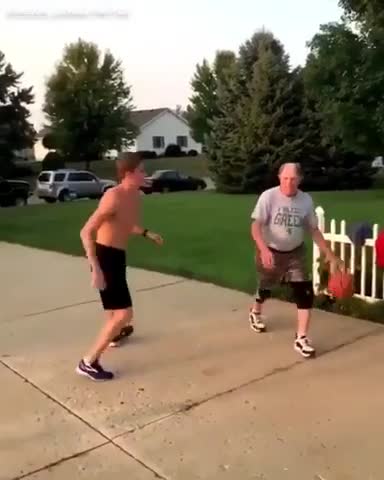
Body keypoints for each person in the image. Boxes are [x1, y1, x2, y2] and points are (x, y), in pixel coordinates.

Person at [77, 152, 163, 380]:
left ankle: (113, 336)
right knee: (124, 313)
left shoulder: (134, 196)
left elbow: (124, 223)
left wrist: (146, 233)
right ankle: (88, 362)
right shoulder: (113, 196)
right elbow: (86, 231)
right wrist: (95, 267)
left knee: (113, 311)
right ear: (129, 174)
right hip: (104, 257)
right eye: (142, 171)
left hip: (117, 256)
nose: (145, 174)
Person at [249, 162, 343, 358]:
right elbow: (256, 226)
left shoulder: (305, 200)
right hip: (270, 250)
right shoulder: (269, 196)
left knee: (304, 293)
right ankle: (256, 310)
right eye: (285, 179)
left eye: (293, 179)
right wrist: (263, 249)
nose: (289, 183)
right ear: (279, 178)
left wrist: (329, 253)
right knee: (267, 285)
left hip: (295, 253)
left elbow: (313, 229)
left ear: (300, 180)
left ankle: (301, 338)